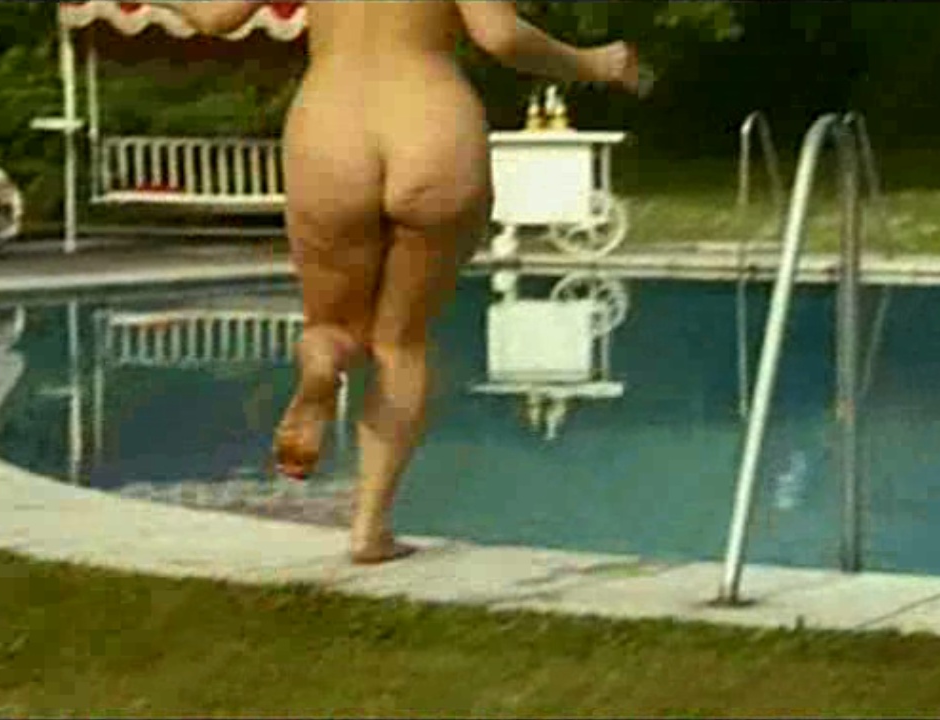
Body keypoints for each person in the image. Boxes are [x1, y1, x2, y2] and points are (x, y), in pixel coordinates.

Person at [165, 1, 644, 564]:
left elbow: (215, 15)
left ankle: (323, 364)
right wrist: (593, 63)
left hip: (331, 129)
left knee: (331, 326)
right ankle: (369, 529)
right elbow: (500, 37)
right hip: (433, 126)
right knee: (402, 343)